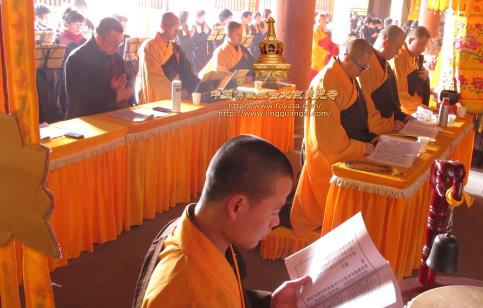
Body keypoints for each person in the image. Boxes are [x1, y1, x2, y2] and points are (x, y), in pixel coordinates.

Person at [140, 135, 310, 307]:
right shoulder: (192, 293)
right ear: (237, 206)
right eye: (274, 211)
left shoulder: (198, 230)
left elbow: (229, 295)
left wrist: (270, 303)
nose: (276, 222)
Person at [291, 39, 377, 237]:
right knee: (325, 217)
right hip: (328, 154)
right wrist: (361, 148)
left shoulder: (348, 76)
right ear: (346, 58)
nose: (364, 72)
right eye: (362, 67)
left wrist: (370, 140)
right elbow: (328, 139)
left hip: (352, 148)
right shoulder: (326, 82)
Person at [65, 17, 133, 118]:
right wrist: (115, 95)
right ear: (99, 38)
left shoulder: (115, 57)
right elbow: (80, 101)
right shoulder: (77, 59)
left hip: (114, 116)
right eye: (114, 43)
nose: (117, 47)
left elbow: (127, 84)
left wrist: (122, 88)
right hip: (85, 121)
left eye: (120, 43)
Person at [358, 25, 410, 135]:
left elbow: (392, 101)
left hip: (388, 127)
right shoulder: (367, 64)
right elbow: (365, 105)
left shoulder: (385, 65)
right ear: (385, 43)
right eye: (397, 48)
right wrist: (388, 125)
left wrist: (403, 117)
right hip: (373, 131)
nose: (397, 53)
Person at [138, 12, 199, 103]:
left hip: (179, 97)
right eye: (173, 27)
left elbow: (187, 71)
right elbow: (154, 79)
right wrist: (176, 93)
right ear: (162, 26)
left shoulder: (175, 48)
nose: (176, 31)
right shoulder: (149, 46)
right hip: (159, 100)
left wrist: (194, 86)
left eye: (178, 27)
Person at [391, 26, 431, 114]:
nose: (423, 49)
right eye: (421, 45)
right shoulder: (398, 56)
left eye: (424, 45)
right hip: (406, 109)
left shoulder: (413, 56)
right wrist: (419, 108)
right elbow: (399, 91)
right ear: (410, 40)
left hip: (416, 103)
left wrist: (424, 76)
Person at [310, 13, 339, 80]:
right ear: (319, 20)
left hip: (325, 57)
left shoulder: (324, 31)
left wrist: (335, 45)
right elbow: (315, 46)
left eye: (326, 20)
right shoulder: (315, 30)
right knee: (315, 75)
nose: (326, 22)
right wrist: (325, 52)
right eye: (324, 20)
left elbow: (328, 42)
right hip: (318, 57)